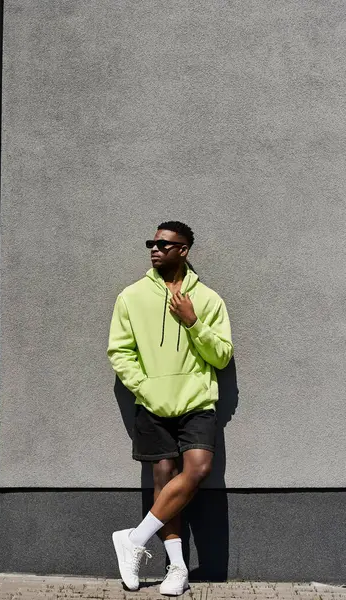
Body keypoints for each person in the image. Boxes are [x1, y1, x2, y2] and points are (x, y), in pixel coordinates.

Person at [107, 220, 233, 595]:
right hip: (151, 402)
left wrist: (193, 322)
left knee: (198, 469)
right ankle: (177, 568)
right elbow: (120, 351)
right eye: (152, 242)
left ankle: (134, 538)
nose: (155, 249)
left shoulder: (208, 300)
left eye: (164, 244)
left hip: (196, 402)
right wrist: (144, 387)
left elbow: (222, 356)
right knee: (164, 481)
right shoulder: (131, 296)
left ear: (184, 250)